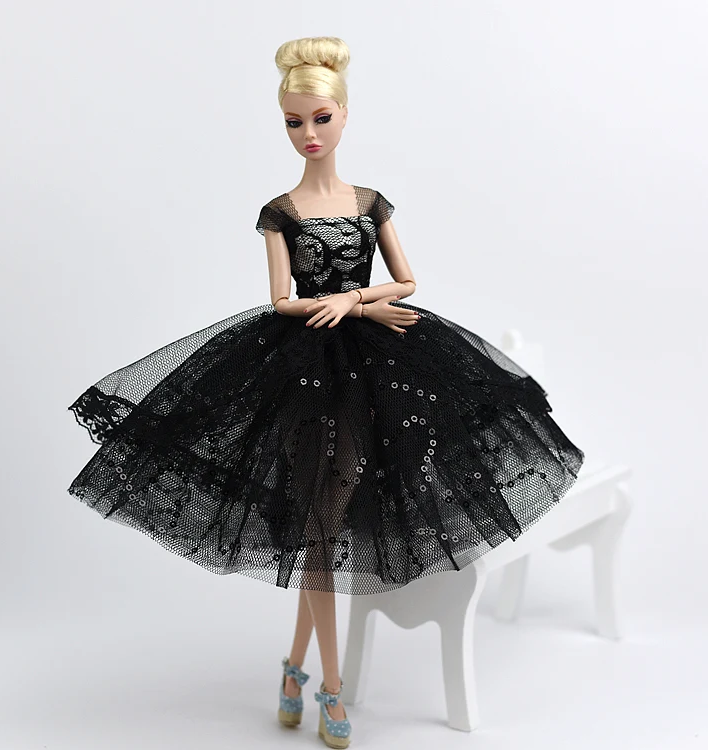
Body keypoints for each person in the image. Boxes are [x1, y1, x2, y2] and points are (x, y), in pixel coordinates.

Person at [67, 35, 584, 748]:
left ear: (343, 115)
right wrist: (343, 306)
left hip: (375, 367)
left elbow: (407, 281)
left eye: (319, 118)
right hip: (304, 370)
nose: (307, 134)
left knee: (326, 523)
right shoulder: (279, 211)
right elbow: (280, 301)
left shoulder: (371, 202)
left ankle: (294, 670)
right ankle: (329, 691)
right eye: (293, 122)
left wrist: (360, 300)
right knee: (318, 524)